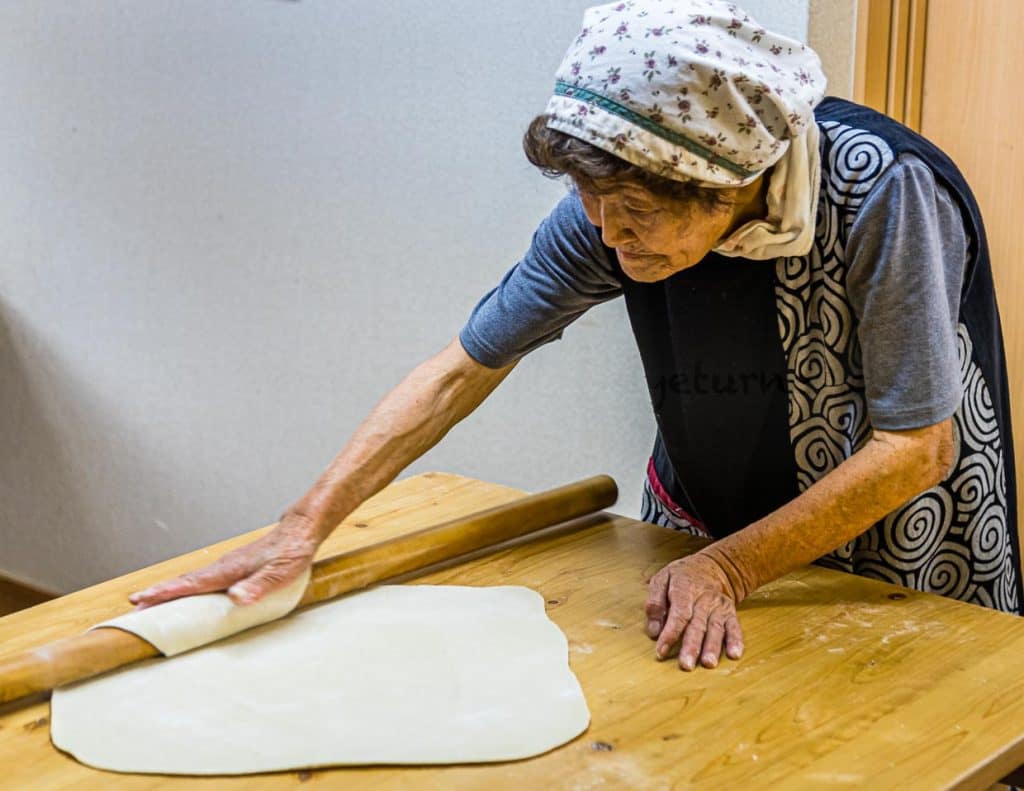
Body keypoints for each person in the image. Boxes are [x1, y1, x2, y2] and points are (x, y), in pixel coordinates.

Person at [130, 0, 1022, 671]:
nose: (604, 235)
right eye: (593, 206)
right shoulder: (604, 216)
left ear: (725, 186)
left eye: (630, 214)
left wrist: (734, 571)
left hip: (894, 529)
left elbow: (915, 447)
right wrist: (303, 526)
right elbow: (461, 369)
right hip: (710, 514)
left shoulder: (883, 196)